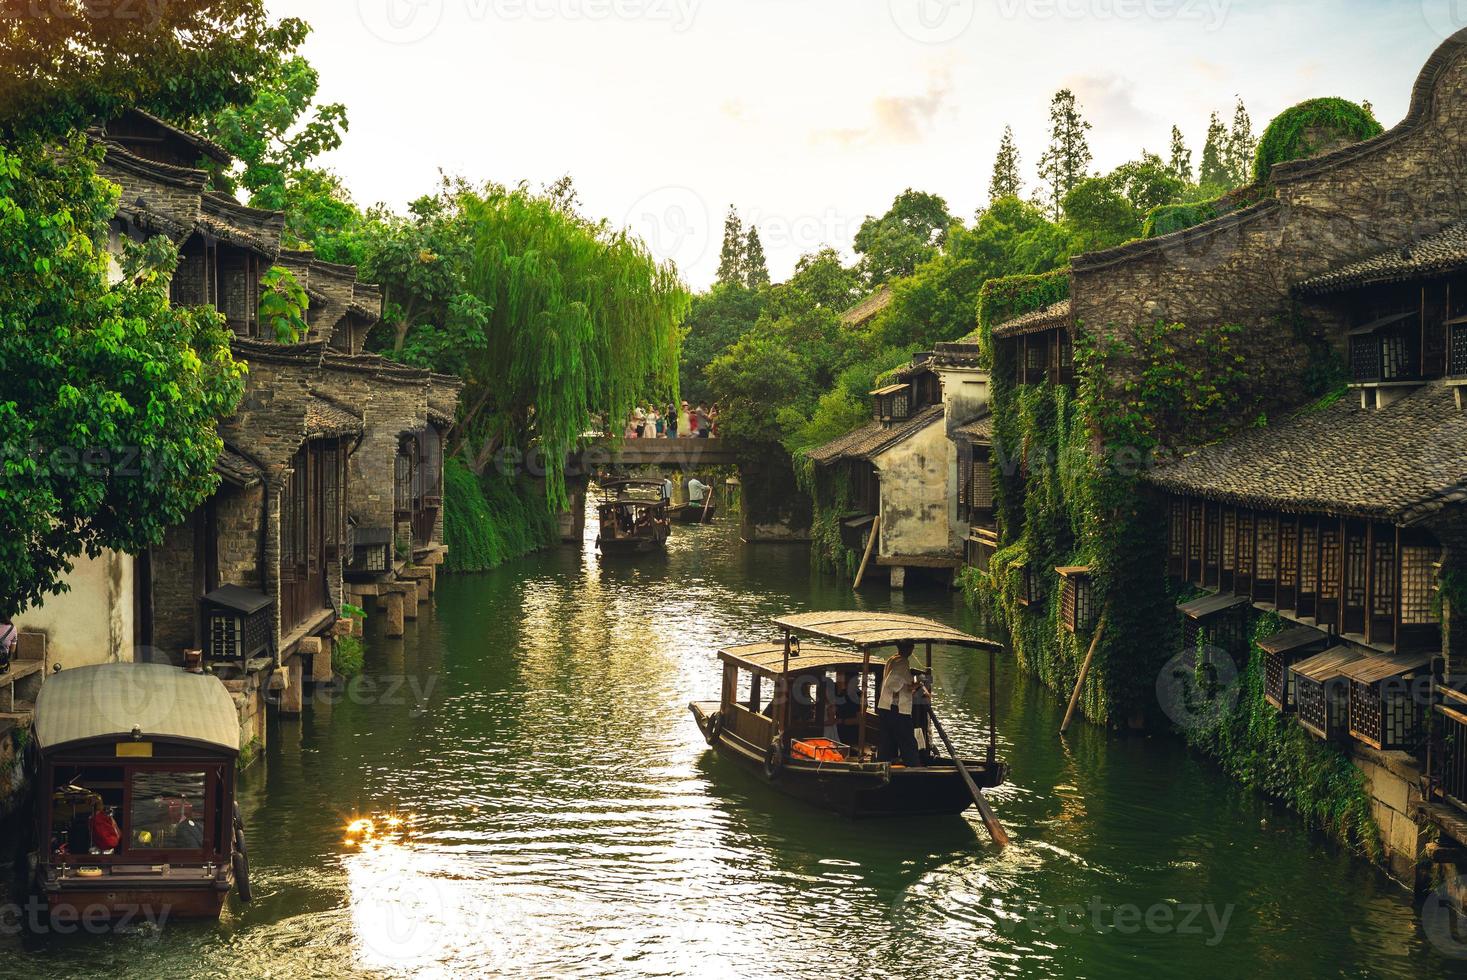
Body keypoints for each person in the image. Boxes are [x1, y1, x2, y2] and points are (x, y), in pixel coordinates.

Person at [877, 642, 922, 767]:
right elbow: (892, 684)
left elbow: (899, 683)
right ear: (910, 649)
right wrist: (917, 685)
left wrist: (911, 686)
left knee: (887, 742)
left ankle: (882, 765)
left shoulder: (892, 660)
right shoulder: (902, 662)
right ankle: (914, 769)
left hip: (886, 707)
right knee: (908, 741)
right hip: (896, 709)